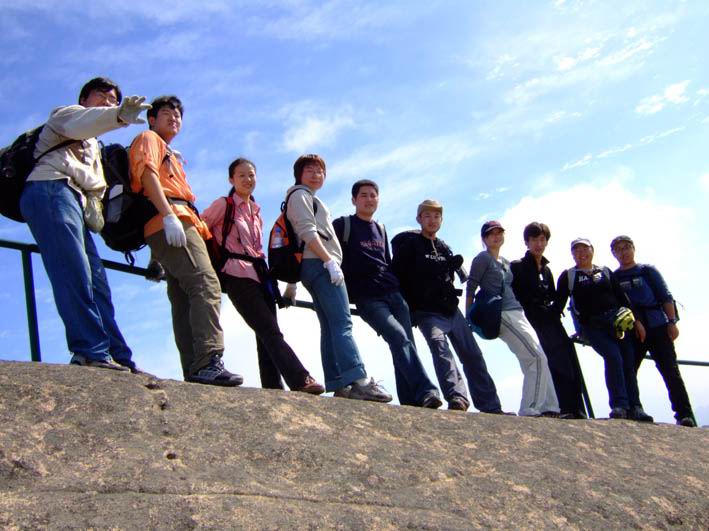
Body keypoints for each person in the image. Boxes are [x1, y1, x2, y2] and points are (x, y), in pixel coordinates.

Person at [20, 77, 150, 372]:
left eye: (114, 99)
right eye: (102, 95)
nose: (108, 100)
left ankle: (118, 356)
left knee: (98, 283)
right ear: (83, 99)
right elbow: (84, 122)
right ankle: (89, 351)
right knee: (73, 272)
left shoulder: (94, 145)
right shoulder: (66, 115)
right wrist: (118, 114)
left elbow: (98, 187)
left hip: (74, 204)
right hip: (51, 190)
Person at [129, 95, 242, 386]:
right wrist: (168, 216)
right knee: (205, 283)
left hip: (174, 221)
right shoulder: (149, 139)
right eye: (166, 113)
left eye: (178, 115)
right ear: (151, 119)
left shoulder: (170, 152)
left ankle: (194, 367)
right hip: (173, 218)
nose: (174, 118)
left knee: (182, 296)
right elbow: (147, 175)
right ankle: (208, 361)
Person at [202, 158, 324, 395]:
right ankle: (300, 378)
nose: (248, 179)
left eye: (251, 175)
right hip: (235, 273)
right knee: (270, 330)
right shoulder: (223, 204)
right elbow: (200, 227)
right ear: (231, 179)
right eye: (241, 175)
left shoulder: (256, 211)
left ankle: (273, 387)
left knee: (265, 334)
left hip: (261, 276)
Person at [284, 154, 391, 402]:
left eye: (320, 171)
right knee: (343, 323)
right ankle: (360, 380)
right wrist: (329, 261)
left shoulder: (307, 198)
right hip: (321, 264)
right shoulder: (300, 195)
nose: (316, 174)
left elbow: (298, 240)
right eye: (310, 170)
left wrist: (293, 282)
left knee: (330, 326)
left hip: (313, 266)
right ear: (299, 175)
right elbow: (306, 232)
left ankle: (339, 382)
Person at [332, 180, 442, 408]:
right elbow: (331, 255)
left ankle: (412, 402)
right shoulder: (343, 225)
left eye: (373, 195)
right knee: (398, 337)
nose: (369, 199)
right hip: (367, 296)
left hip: (394, 294)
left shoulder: (381, 228)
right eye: (364, 195)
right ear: (354, 200)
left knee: (405, 344)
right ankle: (427, 391)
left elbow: (387, 263)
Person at [392, 200, 507, 414]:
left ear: (441, 220)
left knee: (472, 355)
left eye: (436, 216)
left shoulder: (444, 247)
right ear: (419, 219)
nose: (432, 220)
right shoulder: (410, 246)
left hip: (452, 310)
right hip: (426, 311)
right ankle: (457, 397)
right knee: (440, 348)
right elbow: (397, 276)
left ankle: (490, 405)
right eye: (427, 216)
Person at [466, 221, 560, 417]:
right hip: (502, 313)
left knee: (534, 357)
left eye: (499, 232)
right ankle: (530, 407)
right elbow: (471, 287)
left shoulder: (506, 262)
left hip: (517, 311)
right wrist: (469, 318)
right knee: (536, 357)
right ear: (484, 239)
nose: (496, 236)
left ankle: (549, 406)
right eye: (491, 234)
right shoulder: (482, 258)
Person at [555, 238, 653, 421]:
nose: (581, 253)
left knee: (628, 362)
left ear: (592, 250)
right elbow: (558, 304)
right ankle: (619, 405)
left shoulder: (605, 271)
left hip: (617, 322)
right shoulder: (569, 276)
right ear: (572, 254)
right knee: (613, 357)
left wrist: (637, 322)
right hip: (592, 326)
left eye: (585, 249)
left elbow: (622, 298)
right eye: (576, 250)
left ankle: (635, 406)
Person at [611, 235, 696, 427]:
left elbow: (665, 296)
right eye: (618, 249)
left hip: (658, 325)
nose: (623, 252)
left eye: (626, 247)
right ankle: (634, 409)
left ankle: (684, 415)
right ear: (614, 254)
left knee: (670, 370)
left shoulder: (647, 271)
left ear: (633, 248)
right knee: (628, 371)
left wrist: (672, 322)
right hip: (632, 329)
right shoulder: (614, 278)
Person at [510, 222, 586, 419]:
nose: (538, 244)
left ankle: (574, 409)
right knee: (549, 362)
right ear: (526, 242)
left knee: (567, 360)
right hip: (530, 320)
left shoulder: (546, 270)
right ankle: (557, 407)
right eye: (534, 239)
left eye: (542, 239)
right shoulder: (517, 266)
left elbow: (553, 297)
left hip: (550, 321)